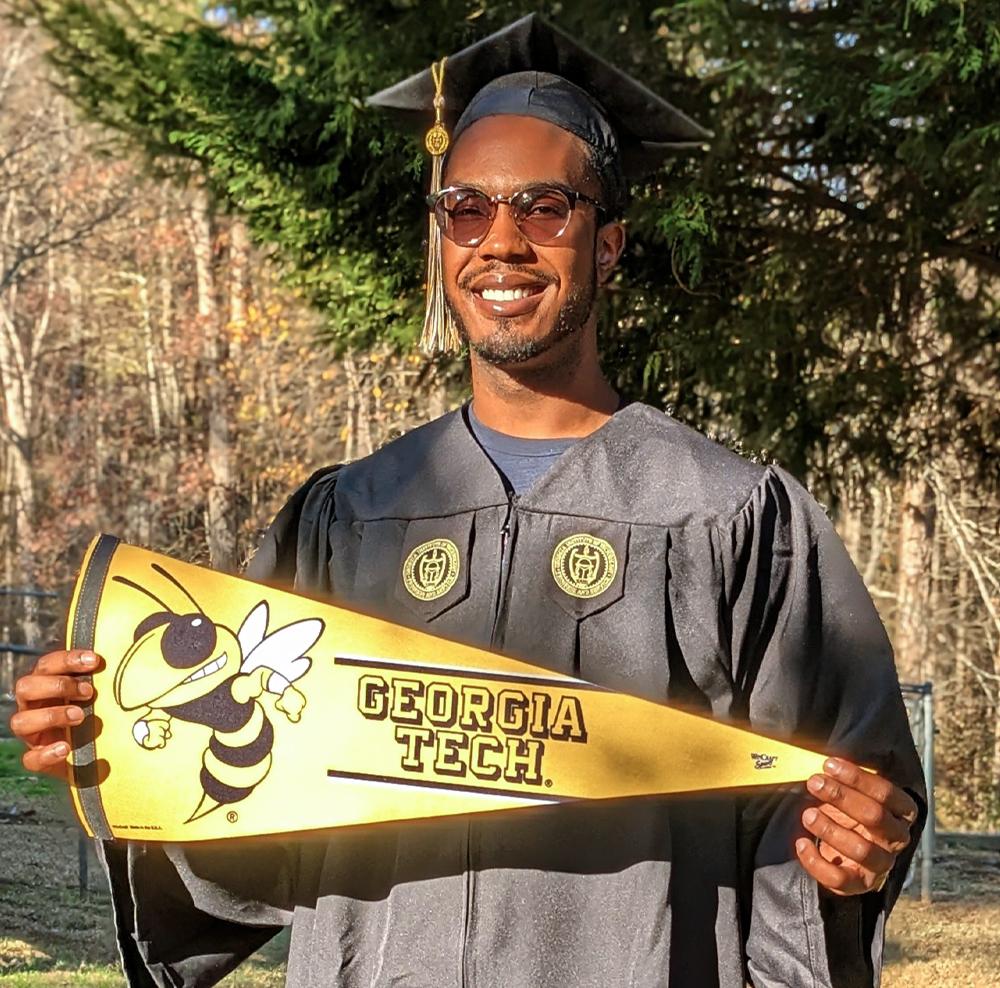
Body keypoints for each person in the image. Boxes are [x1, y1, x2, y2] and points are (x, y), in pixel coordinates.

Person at [11, 14, 923, 988]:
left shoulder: (733, 519)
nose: (501, 242)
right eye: (466, 209)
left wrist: (851, 858)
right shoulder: (346, 521)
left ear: (606, 245)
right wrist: (123, 758)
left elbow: (826, 841)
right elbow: (256, 840)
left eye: (544, 208)